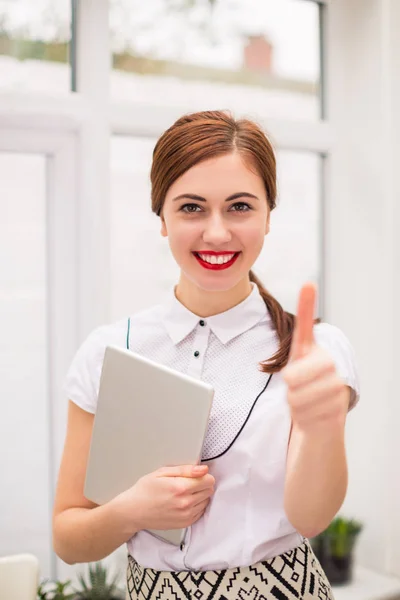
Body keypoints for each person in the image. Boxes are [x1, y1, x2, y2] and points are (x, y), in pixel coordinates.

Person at [52, 110, 360, 599]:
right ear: (162, 218)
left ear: (267, 216)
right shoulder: (107, 352)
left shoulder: (315, 353)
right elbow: (68, 537)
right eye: (192, 208)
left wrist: (322, 429)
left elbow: (311, 518)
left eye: (240, 206)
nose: (216, 234)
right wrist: (132, 510)